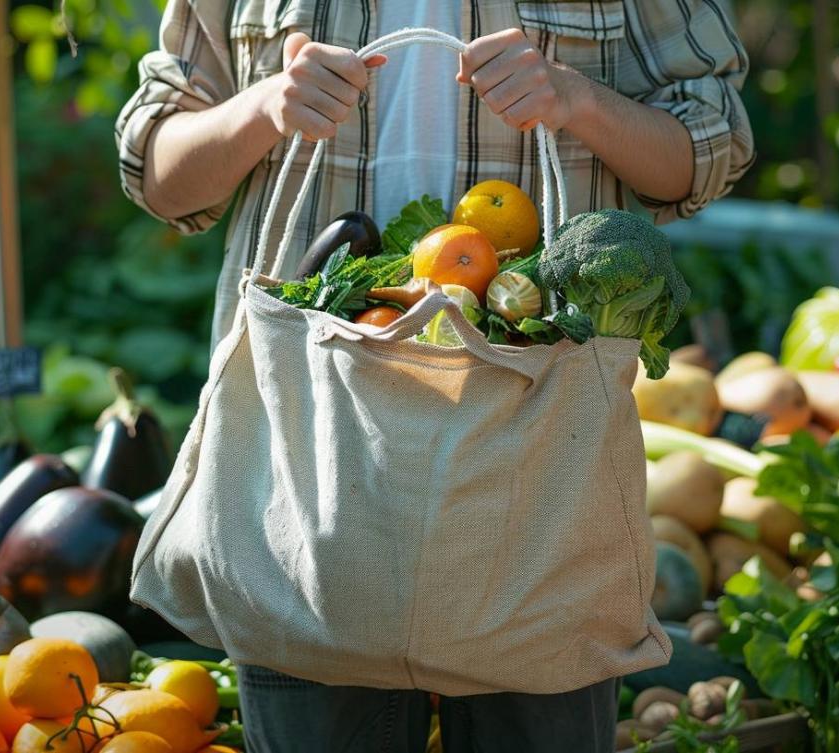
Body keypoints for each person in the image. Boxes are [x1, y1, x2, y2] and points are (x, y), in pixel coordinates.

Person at [116, 1, 753, 750]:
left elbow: (713, 149)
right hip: (309, 467)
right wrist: (264, 106)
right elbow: (158, 176)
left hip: (539, 462)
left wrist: (574, 98)